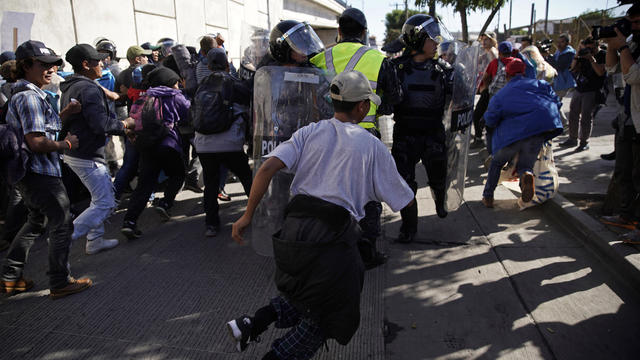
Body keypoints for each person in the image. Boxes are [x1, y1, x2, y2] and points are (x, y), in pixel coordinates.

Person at [227, 70, 414, 360]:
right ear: (362, 106)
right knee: (329, 314)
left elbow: (265, 169)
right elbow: (401, 198)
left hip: (293, 230)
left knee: (305, 293)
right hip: (332, 236)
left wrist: (247, 216)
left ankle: (253, 322)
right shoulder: (371, 145)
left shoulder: (308, 132)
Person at [310, 7, 402, 268]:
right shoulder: (379, 59)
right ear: (364, 32)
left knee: (328, 193)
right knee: (367, 197)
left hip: (326, 137)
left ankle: (329, 247)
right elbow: (393, 101)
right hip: (364, 137)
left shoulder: (318, 59)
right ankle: (366, 253)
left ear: (339, 31)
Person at [0, 40, 91, 298]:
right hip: (40, 173)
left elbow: (39, 128)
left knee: (35, 221)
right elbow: (37, 142)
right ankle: (60, 281)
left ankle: (10, 277)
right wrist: (67, 143)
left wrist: (65, 113)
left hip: (31, 173)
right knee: (62, 223)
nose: (51, 70)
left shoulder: (29, 94)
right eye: (44, 65)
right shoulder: (29, 97)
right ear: (26, 66)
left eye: (53, 65)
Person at [61, 44, 135, 254]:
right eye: (98, 60)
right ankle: (65, 238)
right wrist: (126, 124)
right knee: (106, 203)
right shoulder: (87, 88)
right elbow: (101, 124)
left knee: (99, 198)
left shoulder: (73, 85)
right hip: (86, 154)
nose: (103, 63)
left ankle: (95, 240)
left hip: (79, 153)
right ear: (86, 64)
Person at [391, 14, 454, 244]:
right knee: (404, 184)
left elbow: (457, 102)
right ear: (417, 40)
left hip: (433, 134)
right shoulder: (396, 68)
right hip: (405, 134)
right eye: (431, 38)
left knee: (438, 176)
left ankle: (440, 199)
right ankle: (409, 227)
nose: (437, 43)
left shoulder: (445, 70)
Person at [480, 58, 563, 207]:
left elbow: (491, 118)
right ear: (523, 72)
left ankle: (488, 197)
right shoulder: (541, 84)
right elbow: (557, 102)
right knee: (526, 164)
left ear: (507, 76)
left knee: (497, 163)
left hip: (512, 136)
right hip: (538, 131)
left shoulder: (501, 94)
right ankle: (526, 175)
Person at [121, 67, 190, 239]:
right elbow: (188, 113)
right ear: (168, 82)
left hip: (146, 146)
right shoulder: (174, 96)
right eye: (175, 82)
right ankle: (166, 203)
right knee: (178, 174)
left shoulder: (143, 97)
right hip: (168, 144)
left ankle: (129, 221)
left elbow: (133, 121)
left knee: (144, 185)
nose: (177, 85)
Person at [193, 48, 253, 237]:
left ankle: (211, 225)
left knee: (210, 183)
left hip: (203, 144)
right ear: (227, 65)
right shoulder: (233, 83)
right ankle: (259, 215)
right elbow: (249, 101)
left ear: (209, 66)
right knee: (246, 178)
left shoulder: (201, 85)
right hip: (230, 143)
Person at [600, 3, 640, 244]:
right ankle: (625, 216)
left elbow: (633, 75)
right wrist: (611, 46)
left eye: (637, 22)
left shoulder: (631, 45)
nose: (634, 27)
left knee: (639, 175)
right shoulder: (633, 43)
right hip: (627, 118)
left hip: (638, 120)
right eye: (631, 22)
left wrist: (623, 45)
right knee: (624, 171)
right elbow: (611, 67)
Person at [559, 37, 606, 151]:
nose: (588, 50)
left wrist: (591, 59)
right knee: (573, 114)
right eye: (586, 47)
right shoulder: (582, 55)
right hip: (579, 88)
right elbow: (573, 68)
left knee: (586, 116)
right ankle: (572, 138)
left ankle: (584, 142)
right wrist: (577, 54)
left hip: (592, 89)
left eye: (590, 47)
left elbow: (600, 72)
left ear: (596, 45)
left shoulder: (602, 54)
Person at [472, 31, 499, 146]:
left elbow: (494, 72)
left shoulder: (493, 52)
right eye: (482, 39)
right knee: (481, 115)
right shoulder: (487, 53)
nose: (483, 42)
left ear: (493, 40)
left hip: (489, 89)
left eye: (486, 39)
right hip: (486, 88)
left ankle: (479, 139)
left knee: (478, 115)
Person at [548, 33, 577, 127]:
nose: (559, 44)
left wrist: (549, 56)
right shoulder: (559, 52)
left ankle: (564, 123)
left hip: (564, 82)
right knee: (555, 101)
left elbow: (558, 66)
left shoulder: (569, 53)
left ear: (568, 43)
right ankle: (563, 123)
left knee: (554, 102)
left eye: (562, 42)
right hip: (558, 82)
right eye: (558, 42)